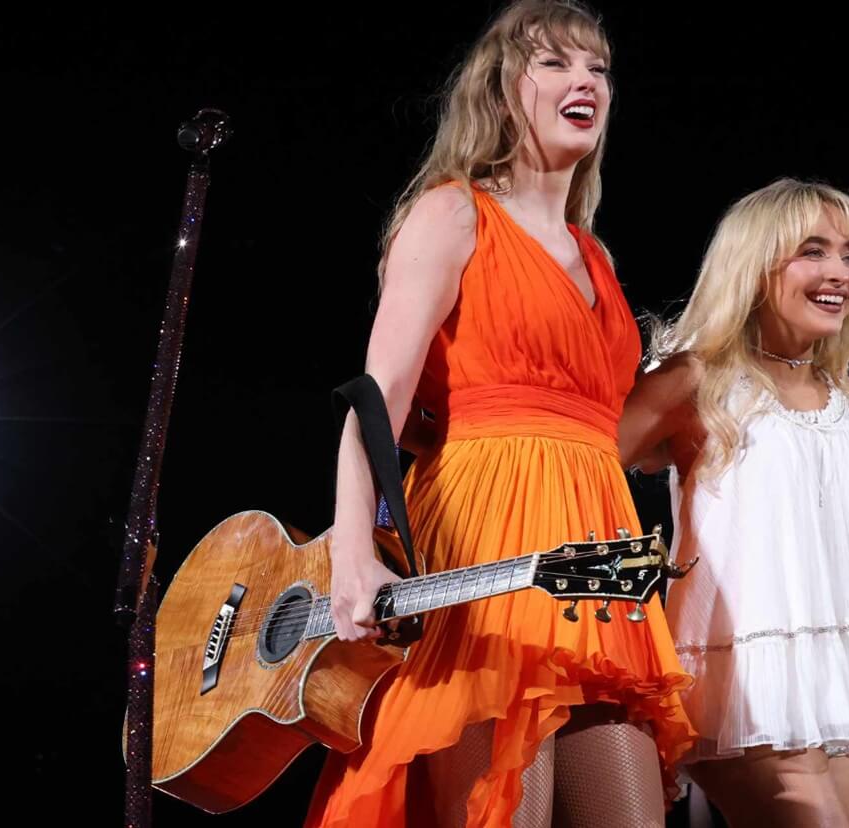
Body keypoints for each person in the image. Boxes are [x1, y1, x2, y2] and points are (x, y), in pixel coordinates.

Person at [307, 3, 694, 825]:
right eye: (555, 63)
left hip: (597, 562)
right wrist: (351, 549)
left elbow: (608, 426)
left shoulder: (598, 258)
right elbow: (375, 402)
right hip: (488, 539)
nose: (586, 80)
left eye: (598, 69)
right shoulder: (453, 214)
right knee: (502, 805)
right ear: (501, 89)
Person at [619, 178, 849, 826]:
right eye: (813, 251)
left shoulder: (846, 398)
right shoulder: (696, 378)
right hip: (736, 677)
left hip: (834, 682)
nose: (839, 274)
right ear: (756, 266)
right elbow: (578, 465)